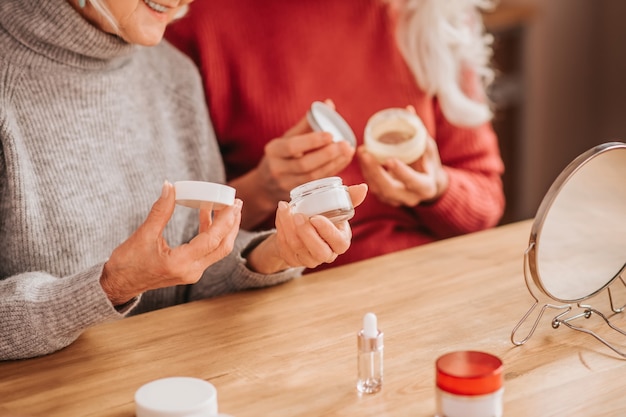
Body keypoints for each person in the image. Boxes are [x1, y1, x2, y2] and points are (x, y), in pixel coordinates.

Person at [0, 0, 367, 361]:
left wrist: (272, 255)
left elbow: (191, 272)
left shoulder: (175, 74)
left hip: (174, 376)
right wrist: (112, 285)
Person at [165, 0, 506, 272]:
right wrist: (263, 187)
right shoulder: (196, 18)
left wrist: (435, 190)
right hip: (282, 288)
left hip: (421, 277)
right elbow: (179, 238)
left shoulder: (435, 13)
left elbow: (487, 206)